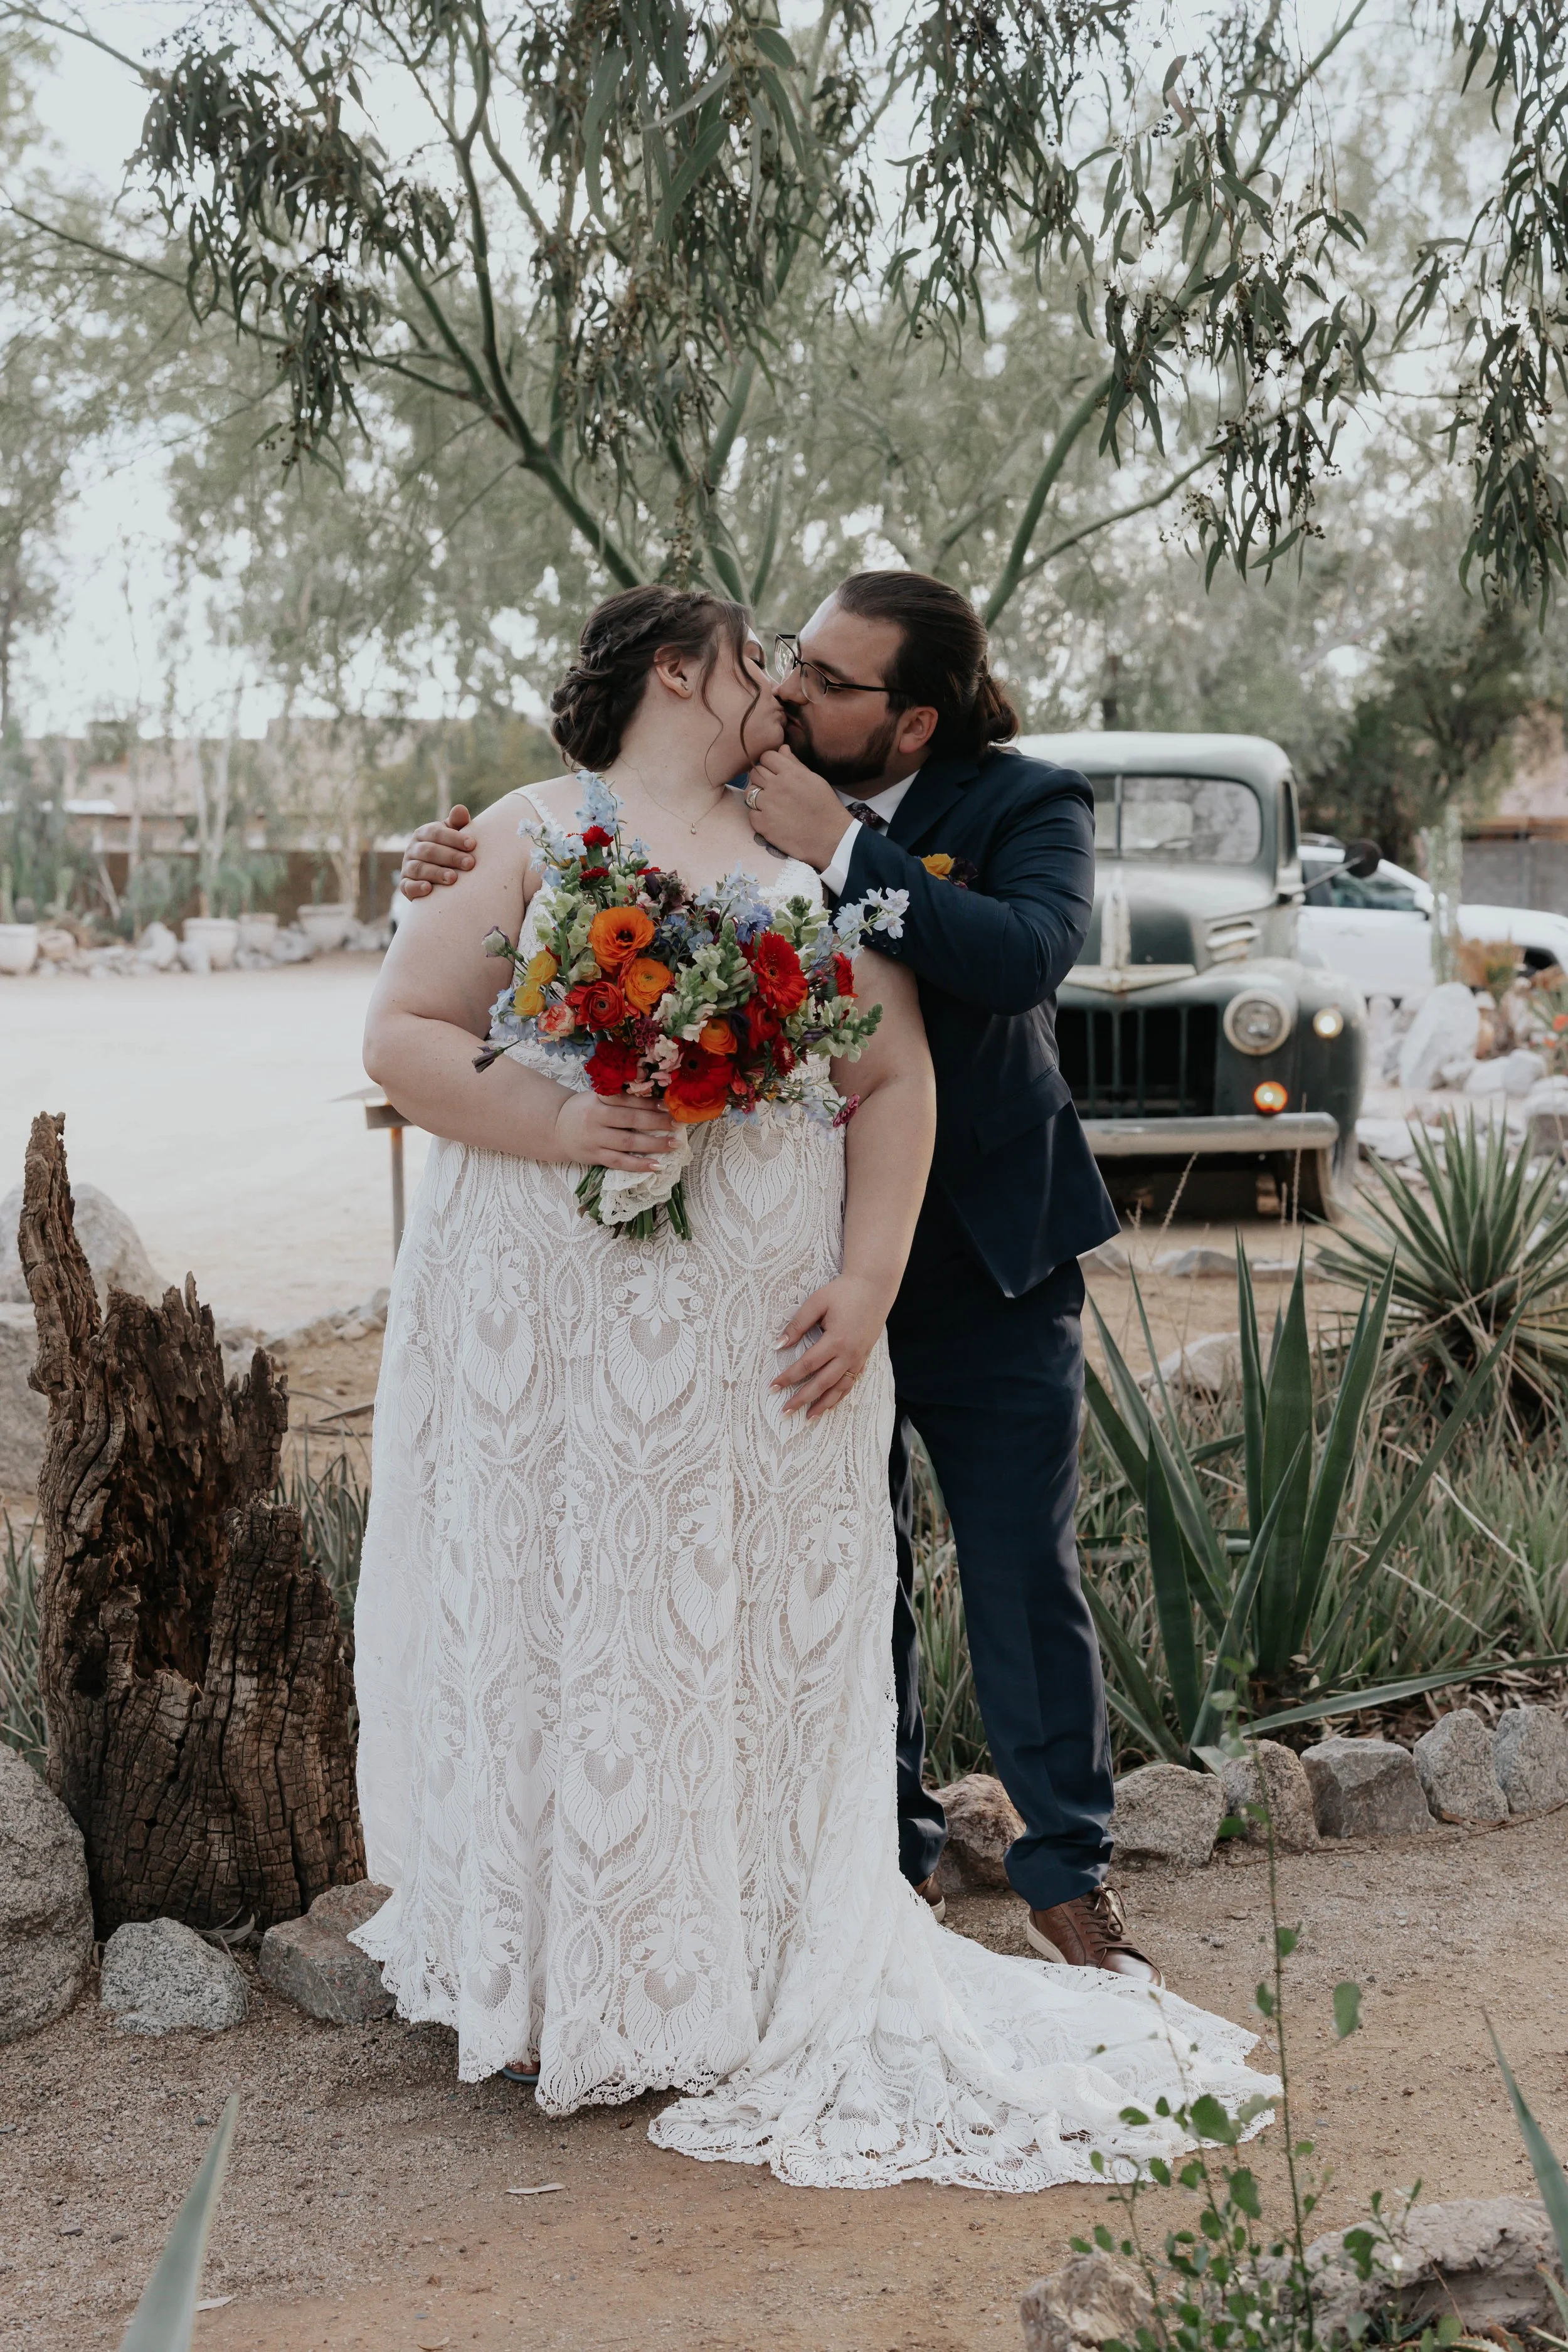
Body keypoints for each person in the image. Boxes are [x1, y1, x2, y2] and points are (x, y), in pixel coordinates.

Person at [356, 582, 1272, 2186]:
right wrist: (554, 1109)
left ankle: (1033, 1884)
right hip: (571, 1323)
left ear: (908, 718)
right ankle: (571, 1960)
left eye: (819, 674)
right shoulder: (528, 831)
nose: (783, 686)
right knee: (589, 1608)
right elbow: (407, 1031)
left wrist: (859, 1281)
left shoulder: (850, 837)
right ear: (678, 671)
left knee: (840, 1600)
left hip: (901, 1283)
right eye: (761, 662)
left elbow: (913, 1049)